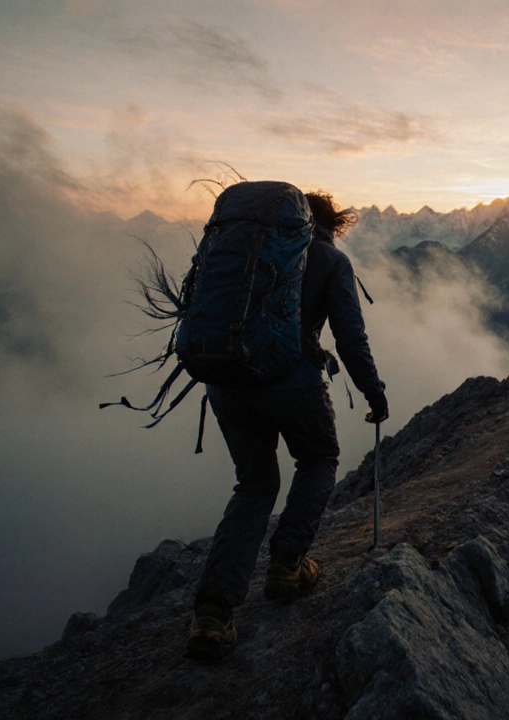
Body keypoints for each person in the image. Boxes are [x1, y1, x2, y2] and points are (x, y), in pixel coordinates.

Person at [185, 191, 388, 664]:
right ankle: (287, 563)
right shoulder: (330, 261)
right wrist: (374, 392)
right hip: (292, 383)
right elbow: (350, 338)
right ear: (328, 224)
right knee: (318, 458)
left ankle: (213, 614)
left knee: (255, 486)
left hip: (227, 383)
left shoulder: (236, 251)